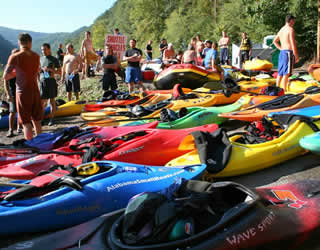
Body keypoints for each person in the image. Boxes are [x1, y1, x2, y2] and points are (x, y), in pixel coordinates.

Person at [2, 33, 42, 140]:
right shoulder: (36, 56)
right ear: (30, 43)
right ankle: (41, 144)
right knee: (37, 121)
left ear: (19, 43)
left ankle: (31, 146)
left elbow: (5, 76)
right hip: (35, 90)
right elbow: (36, 71)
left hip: (22, 92)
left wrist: (16, 73)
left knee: (26, 122)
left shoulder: (15, 57)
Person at [273, 14, 299, 91]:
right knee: (286, 73)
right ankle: (284, 90)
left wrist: (281, 48)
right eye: (293, 20)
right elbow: (292, 43)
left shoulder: (282, 29)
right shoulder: (290, 29)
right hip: (288, 53)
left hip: (282, 52)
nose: (294, 22)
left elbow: (274, 41)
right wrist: (295, 55)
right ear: (291, 20)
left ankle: (277, 88)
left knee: (280, 73)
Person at [40, 43, 61, 126]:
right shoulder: (40, 59)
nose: (43, 51)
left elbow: (60, 71)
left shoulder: (54, 59)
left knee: (52, 101)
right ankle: (41, 119)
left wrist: (51, 70)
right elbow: (38, 71)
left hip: (51, 82)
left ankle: (51, 119)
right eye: (42, 49)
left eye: (45, 49)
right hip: (42, 82)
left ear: (49, 49)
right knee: (42, 102)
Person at [3, 48, 22, 137]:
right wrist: (8, 94)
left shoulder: (22, 65)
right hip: (13, 92)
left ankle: (19, 127)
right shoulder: (9, 67)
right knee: (12, 111)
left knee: (21, 110)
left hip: (22, 91)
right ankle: (10, 129)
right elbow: (5, 81)